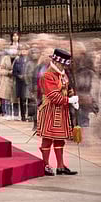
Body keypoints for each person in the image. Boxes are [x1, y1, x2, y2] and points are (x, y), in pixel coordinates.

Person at [37, 48, 78, 176]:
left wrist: (71, 94)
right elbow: (54, 96)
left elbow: (66, 88)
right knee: (48, 138)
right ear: (57, 62)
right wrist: (69, 100)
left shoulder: (62, 74)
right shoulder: (47, 76)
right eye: (64, 64)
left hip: (61, 110)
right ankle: (45, 165)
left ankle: (60, 166)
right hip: (50, 110)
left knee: (60, 139)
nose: (65, 66)